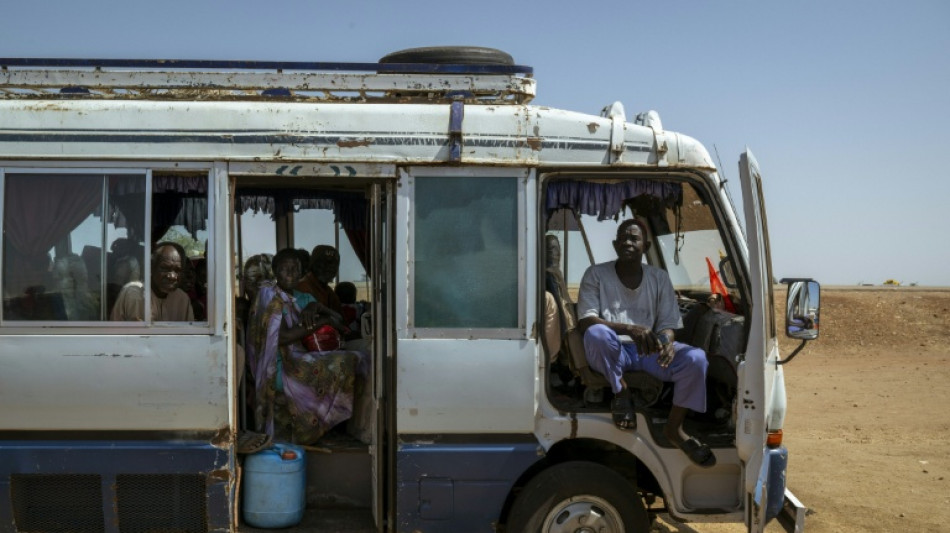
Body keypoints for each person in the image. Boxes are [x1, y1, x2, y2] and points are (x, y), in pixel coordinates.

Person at [577, 219, 715, 467]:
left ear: (646, 245)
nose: (627, 242)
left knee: (696, 359)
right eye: (622, 238)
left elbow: (668, 324)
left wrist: (666, 341)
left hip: (647, 351)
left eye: (634, 238)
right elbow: (586, 320)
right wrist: (630, 328)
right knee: (597, 334)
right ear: (614, 244)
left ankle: (674, 430)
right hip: (612, 350)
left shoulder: (659, 278)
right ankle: (622, 393)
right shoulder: (596, 274)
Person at [245, 248, 360, 444]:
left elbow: (339, 321)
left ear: (302, 272)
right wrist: (321, 321)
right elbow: (282, 337)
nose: (290, 273)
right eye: (284, 269)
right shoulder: (270, 296)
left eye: (295, 269)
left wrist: (318, 307)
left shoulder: (304, 297)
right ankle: (315, 429)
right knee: (343, 362)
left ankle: (326, 425)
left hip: (302, 357)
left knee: (355, 359)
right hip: (279, 364)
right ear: (275, 271)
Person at [110, 243, 194, 321]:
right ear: (151, 268)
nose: (172, 276)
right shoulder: (131, 294)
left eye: (177, 270)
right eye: (165, 268)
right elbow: (113, 332)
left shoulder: (182, 299)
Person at [296, 245, 343, 315]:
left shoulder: (330, 292)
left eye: (335, 263)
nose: (331, 267)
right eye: (327, 262)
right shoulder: (302, 288)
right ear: (313, 263)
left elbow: (341, 320)